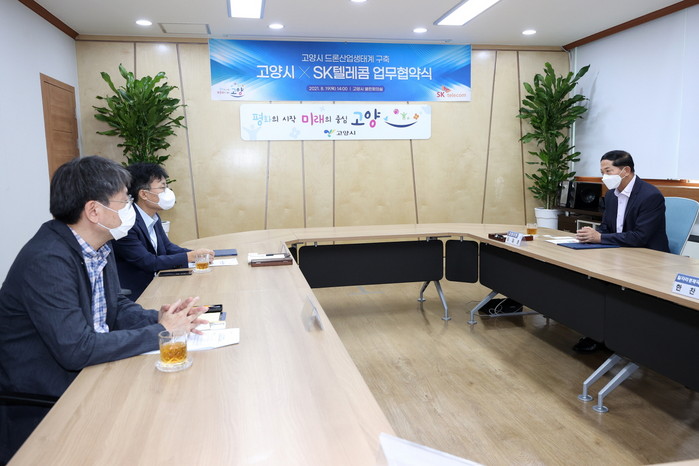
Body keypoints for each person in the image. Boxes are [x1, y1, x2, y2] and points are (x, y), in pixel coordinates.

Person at [0, 156, 207, 463]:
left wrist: (160, 318)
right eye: (125, 201)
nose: (130, 209)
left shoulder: (99, 245)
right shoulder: (48, 260)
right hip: (49, 399)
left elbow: (115, 306)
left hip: (91, 372)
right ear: (94, 211)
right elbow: (77, 349)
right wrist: (161, 331)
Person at [573, 150, 669, 352]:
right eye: (602, 172)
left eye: (608, 171)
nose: (604, 177)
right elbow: (607, 228)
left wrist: (600, 238)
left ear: (625, 170)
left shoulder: (650, 196)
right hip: (619, 252)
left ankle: (618, 338)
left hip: (647, 259)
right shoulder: (611, 195)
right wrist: (591, 234)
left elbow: (640, 237)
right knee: (587, 278)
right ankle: (599, 333)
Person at [112, 163, 214, 299]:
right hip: (138, 295)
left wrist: (196, 254)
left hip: (156, 285)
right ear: (144, 194)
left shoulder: (152, 216)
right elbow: (148, 262)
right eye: (162, 187)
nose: (168, 192)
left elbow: (167, 247)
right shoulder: (126, 223)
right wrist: (189, 256)